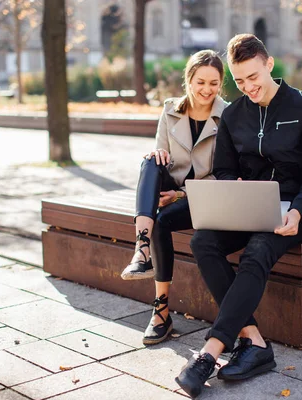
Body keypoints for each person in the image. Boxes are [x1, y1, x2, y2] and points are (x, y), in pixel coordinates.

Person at [175, 34, 302, 398]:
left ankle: (210, 352)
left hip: (292, 211)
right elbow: (224, 170)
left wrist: (298, 210)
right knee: (203, 242)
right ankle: (253, 341)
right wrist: (235, 190)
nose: (248, 88)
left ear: (269, 65)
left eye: (253, 78)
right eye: (240, 81)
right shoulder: (232, 114)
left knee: (258, 251)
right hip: (245, 207)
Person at [121, 50, 228, 345]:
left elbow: (225, 173)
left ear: (221, 84)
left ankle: (161, 312)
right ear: (188, 80)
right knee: (150, 160)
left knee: (164, 220)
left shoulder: (228, 115)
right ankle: (141, 249)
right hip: (169, 186)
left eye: (214, 83)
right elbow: (161, 156)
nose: (207, 90)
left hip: (203, 196)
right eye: (200, 82)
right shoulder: (170, 110)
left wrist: (181, 194)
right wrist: (159, 163)